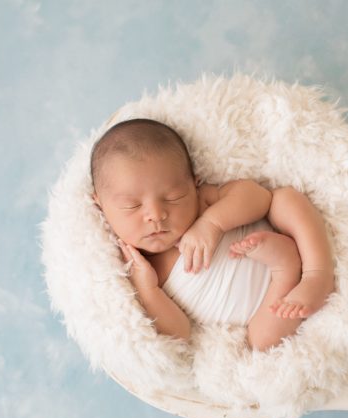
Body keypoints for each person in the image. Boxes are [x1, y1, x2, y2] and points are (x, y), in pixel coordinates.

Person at [90, 118, 335, 351]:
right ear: (100, 204)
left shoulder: (203, 203)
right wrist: (148, 290)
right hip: (270, 304)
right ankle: (286, 269)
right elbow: (180, 333)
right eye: (132, 206)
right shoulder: (135, 267)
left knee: (285, 199)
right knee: (262, 342)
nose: (156, 214)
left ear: (194, 185)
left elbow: (259, 196)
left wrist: (212, 223)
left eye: (173, 197)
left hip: (281, 239)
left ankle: (317, 274)